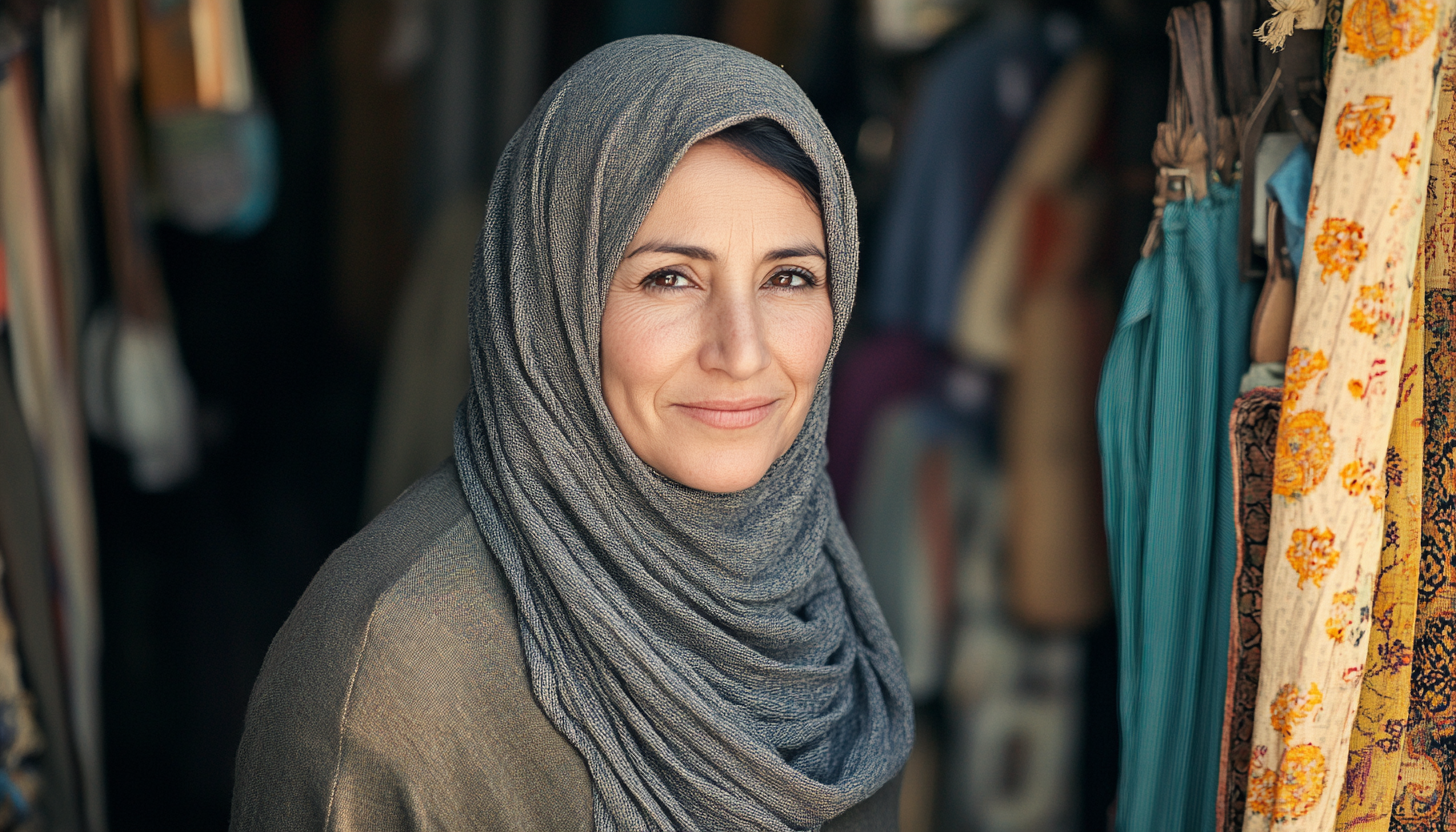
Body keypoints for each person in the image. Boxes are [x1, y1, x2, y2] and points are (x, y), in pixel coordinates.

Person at [230, 35, 914, 832]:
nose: (744, 351)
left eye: (788, 277)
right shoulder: (395, 666)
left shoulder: (809, 581)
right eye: (670, 278)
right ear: (550, 296)